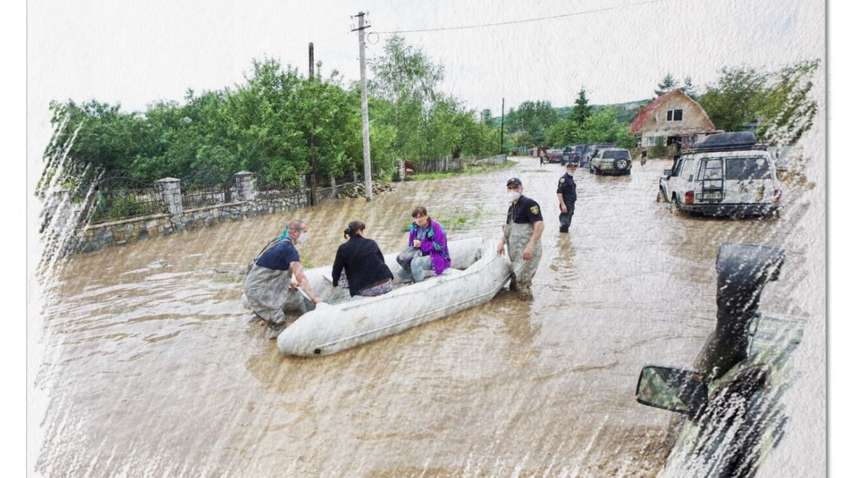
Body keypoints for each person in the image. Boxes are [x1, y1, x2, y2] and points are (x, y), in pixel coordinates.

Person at [242, 220, 320, 336]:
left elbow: (273, 268)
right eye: (304, 232)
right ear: (294, 233)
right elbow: (301, 277)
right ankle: (272, 342)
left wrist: (288, 281)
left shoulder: (278, 242)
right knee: (280, 324)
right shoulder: (289, 250)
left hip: (253, 286)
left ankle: (265, 323)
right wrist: (315, 299)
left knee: (288, 301)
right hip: (259, 292)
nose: (306, 235)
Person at [497, 178, 544, 299]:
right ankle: (514, 312)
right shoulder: (511, 208)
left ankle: (525, 314)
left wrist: (531, 246)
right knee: (514, 284)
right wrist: (501, 242)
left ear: (521, 188)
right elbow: (508, 228)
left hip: (527, 251)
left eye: (516, 188)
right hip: (516, 252)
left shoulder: (530, 204)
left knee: (523, 284)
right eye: (510, 188)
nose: (513, 190)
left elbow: (539, 225)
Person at [331, 221, 394, 297]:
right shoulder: (372, 242)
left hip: (365, 289)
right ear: (359, 231)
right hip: (387, 283)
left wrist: (334, 283)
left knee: (344, 270)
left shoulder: (343, 248)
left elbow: (336, 269)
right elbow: (381, 261)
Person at [399, 206, 451, 283]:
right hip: (420, 254)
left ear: (426, 216)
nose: (419, 219)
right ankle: (413, 278)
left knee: (416, 263)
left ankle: (419, 284)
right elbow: (410, 245)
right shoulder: (414, 228)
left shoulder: (436, 227)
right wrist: (414, 245)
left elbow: (440, 246)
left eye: (421, 216)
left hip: (437, 256)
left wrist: (422, 244)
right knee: (401, 271)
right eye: (416, 217)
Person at [556, 164, 577, 233]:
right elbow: (559, 192)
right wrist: (562, 204)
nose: (573, 169)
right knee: (564, 224)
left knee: (567, 223)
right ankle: (562, 240)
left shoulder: (571, 178)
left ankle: (564, 239)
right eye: (571, 167)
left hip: (571, 204)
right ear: (567, 168)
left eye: (574, 167)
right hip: (566, 204)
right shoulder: (564, 179)